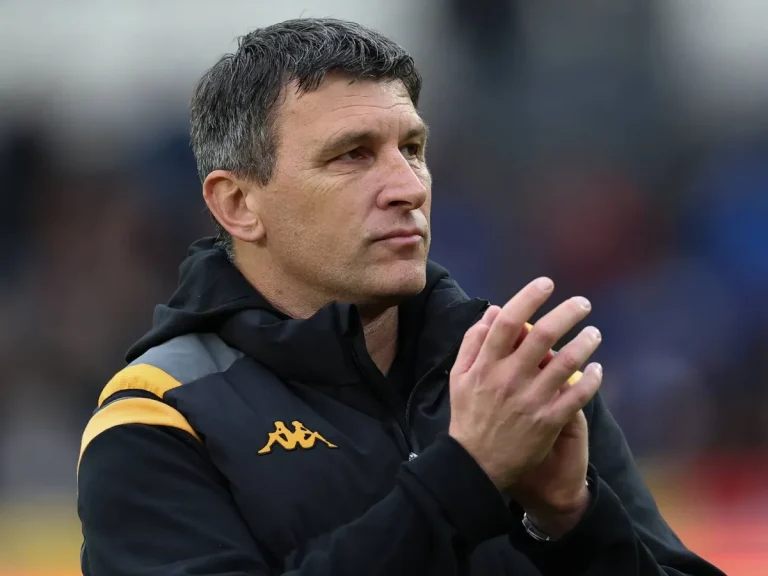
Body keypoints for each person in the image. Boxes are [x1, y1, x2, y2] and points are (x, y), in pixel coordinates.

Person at [77, 18, 724, 576]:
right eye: (352, 155)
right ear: (238, 204)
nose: (408, 187)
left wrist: (571, 521)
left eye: (412, 149)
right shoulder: (159, 416)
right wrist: (465, 477)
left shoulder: (520, 375)